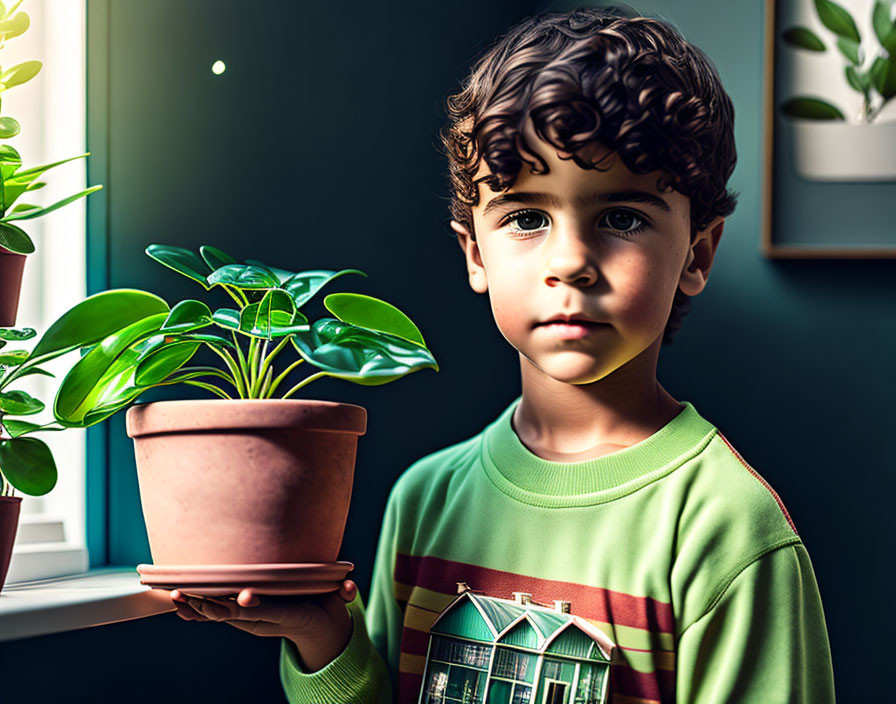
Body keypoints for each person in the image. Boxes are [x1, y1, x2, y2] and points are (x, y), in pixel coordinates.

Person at [169, 6, 836, 703]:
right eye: (527, 217)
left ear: (696, 254)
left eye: (622, 217)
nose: (572, 262)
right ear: (474, 252)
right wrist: (321, 637)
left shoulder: (726, 528)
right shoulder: (426, 499)